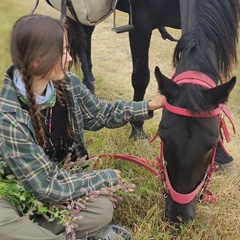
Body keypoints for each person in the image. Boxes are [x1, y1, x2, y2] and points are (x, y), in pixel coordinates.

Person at [0, 14, 165, 240]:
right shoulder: (8, 117)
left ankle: (38, 232)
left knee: (102, 209)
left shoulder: (67, 85)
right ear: (38, 60)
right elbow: (46, 185)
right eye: (64, 51)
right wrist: (105, 176)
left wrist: (149, 105)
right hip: (10, 196)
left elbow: (101, 113)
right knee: (4, 224)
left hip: (49, 195)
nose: (69, 58)